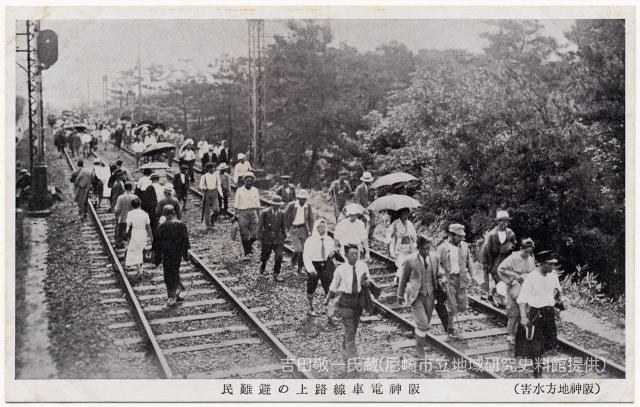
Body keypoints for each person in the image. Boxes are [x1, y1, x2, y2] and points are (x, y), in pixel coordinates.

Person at [515, 250, 565, 378]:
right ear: (542, 264)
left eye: (554, 264)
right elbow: (522, 299)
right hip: (536, 314)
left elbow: (557, 289)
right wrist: (523, 317)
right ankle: (538, 373)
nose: (553, 267)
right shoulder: (532, 278)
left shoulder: (553, 274)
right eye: (550, 264)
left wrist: (558, 300)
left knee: (548, 344)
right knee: (536, 346)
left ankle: (539, 368)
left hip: (549, 313)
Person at [323, 243, 373, 362]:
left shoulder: (363, 266)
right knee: (349, 328)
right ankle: (353, 356)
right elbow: (333, 286)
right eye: (352, 254)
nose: (355, 256)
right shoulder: (340, 270)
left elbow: (368, 280)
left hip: (358, 300)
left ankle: (346, 344)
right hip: (345, 301)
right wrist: (327, 299)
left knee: (354, 327)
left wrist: (366, 282)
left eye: (357, 253)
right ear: (345, 255)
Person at [396, 235, 444, 358]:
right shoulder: (409, 260)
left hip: (430, 295)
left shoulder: (434, 258)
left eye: (429, 248)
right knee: (423, 325)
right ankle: (419, 348)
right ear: (418, 247)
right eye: (425, 248)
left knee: (425, 324)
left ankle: (418, 342)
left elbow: (439, 272)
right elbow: (403, 278)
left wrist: (443, 278)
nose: (427, 251)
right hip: (416, 296)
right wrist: (400, 295)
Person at [437, 223, 475, 339]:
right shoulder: (442, 248)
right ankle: (450, 328)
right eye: (458, 236)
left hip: (462, 278)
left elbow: (469, 262)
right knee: (452, 306)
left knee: (463, 306)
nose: (461, 238)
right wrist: (441, 275)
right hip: (449, 279)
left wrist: (472, 276)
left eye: (461, 236)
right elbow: (437, 264)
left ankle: (449, 316)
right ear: (451, 235)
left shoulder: (464, 246)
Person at [497, 238, 537, 344]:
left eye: (530, 252)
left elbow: (533, 273)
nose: (527, 254)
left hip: (526, 289)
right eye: (526, 251)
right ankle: (511, 335)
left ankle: (523, 335)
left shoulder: (531, 259)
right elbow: (501, 269)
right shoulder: (513, 257)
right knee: (513, 313)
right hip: (514, 286)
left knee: (526, 312)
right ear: (521, 249)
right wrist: (516, 276)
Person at [154, 205, 190, 307]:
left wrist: (157, 258)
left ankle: (172, 296)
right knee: (175, 271)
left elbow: (157, 245)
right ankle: (177, 291)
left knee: (168, 275)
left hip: (167, 255)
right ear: (173, 213)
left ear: (164, 214)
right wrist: (185, 255)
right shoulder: (180, 225)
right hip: (177, 254)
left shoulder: (161, 227)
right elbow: (185, 241)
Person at [480, 210, 517, 305]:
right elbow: (486, 251)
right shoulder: (492, 235)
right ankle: (497, 297)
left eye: (506, 221)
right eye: (502, 221)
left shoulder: (510, 233)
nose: (505, 223)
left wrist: (510, 247)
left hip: (507, 263)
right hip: (495, 263)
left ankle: (497, 296)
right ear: (498, 222)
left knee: (508, 282)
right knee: (500, 281)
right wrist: (486, 264)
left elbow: (514, 245)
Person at [303, 219, 336, 317]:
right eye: (320, 227)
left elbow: (332, 250)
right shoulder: (310, 240)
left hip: (326, 265)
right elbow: (306, 256)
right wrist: (310, 269)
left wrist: (332, 253)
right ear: (316, 228)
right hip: (314, 265)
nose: (322, 229)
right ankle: (310, 307)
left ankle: (331, 313)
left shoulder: (329, 240)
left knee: (330, 287)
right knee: (311, 287)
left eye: (324, 227)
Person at [257, 195, 287, 282]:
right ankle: (263, 265)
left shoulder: (282, 214)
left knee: (279, 256)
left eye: (278, 205)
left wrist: (285, 235)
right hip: (267, 237)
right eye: (275, 204)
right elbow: (260, 226)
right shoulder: (265, 213)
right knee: (265, 255)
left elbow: (283, 226)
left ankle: (276, 273)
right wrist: (259, 238)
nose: (277, 206)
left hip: (278, 238)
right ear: (272, 204)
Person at [284, 189, 314, 274]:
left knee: (305, 251)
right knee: (298, 250)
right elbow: (284, 215)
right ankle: (293, 261)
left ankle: (300, 268)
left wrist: (311, 231)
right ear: (298, 198)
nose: (303, 200)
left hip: (304, 229)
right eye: (301, 198)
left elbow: (311, 219)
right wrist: (288, 227)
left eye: (304, 198)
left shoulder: (308, 206)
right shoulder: (292, 205)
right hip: (294, 228)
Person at [385, 207, 418, 284]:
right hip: (399, 248)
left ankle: (400, 279)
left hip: (409, 247)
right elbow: (389, 233)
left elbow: (414, 236)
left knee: (409, 263)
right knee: (402, 263)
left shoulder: (410, 224)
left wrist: (414, 243)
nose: (406, 216)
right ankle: (400, 279)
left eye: (407, 214)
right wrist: (390, 238)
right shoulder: (396, 223)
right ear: (401, 214)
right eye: (404, 213)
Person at [233, 172, 261, 259]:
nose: (249, 182)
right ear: (244, 181)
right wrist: (235, 215)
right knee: (244, 234)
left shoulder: (255, 190)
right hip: (242, 213)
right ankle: (248, 253)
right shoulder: (239, 190)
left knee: (255, 234)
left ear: (253, 181)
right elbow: (236, 203)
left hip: (253, 212)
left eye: (250, 181)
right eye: (247, 181)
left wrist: (259, 215)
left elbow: (258, 204)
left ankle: (249, 247)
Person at [125, 197, 153, 279]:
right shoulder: (144, 213)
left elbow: (128, 224)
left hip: (135, 233)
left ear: (132, 205)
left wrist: (127, 233)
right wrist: (151, 236)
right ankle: (140, 269)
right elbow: (148, 226)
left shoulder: (130, 213)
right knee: (141, 251)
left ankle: (139, 270)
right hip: (143, 233)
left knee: (133, 251)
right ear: (140, 204)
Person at [199, 162, 222, 228]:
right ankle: (207, 224)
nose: (213, 169)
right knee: (207, 209)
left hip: (214, 192)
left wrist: (221, 194)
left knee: (217, 209)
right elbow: (200, 185)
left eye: (214, 168)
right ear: (208, 169)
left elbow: (218, 185)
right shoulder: (204, 176)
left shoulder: (216, 176)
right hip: (207, 192)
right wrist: (203, 188)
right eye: (211, 168)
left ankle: (212, 218)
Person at [355, 171, 376, 240]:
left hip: (370, 208)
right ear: (364, 181)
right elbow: (357, 200)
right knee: (363, 223)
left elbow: (372, 198)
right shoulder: (359, 188)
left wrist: (374, 196)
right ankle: (361, 237)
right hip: (362, 208)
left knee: (373, 222)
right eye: (367, 181)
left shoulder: (371, 188)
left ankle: (370, 236)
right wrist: (363, 210)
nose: (369, 182)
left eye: (369, 181)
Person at [114, 182, 135, 248]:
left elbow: (117, 209)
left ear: (124, 188)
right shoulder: (135, 197)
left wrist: (116, 216)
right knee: (130, 233)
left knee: (120, 232)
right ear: (131, 188)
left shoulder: (120, 197)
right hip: (132, 220)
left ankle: (119, 243)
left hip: (122, 218)